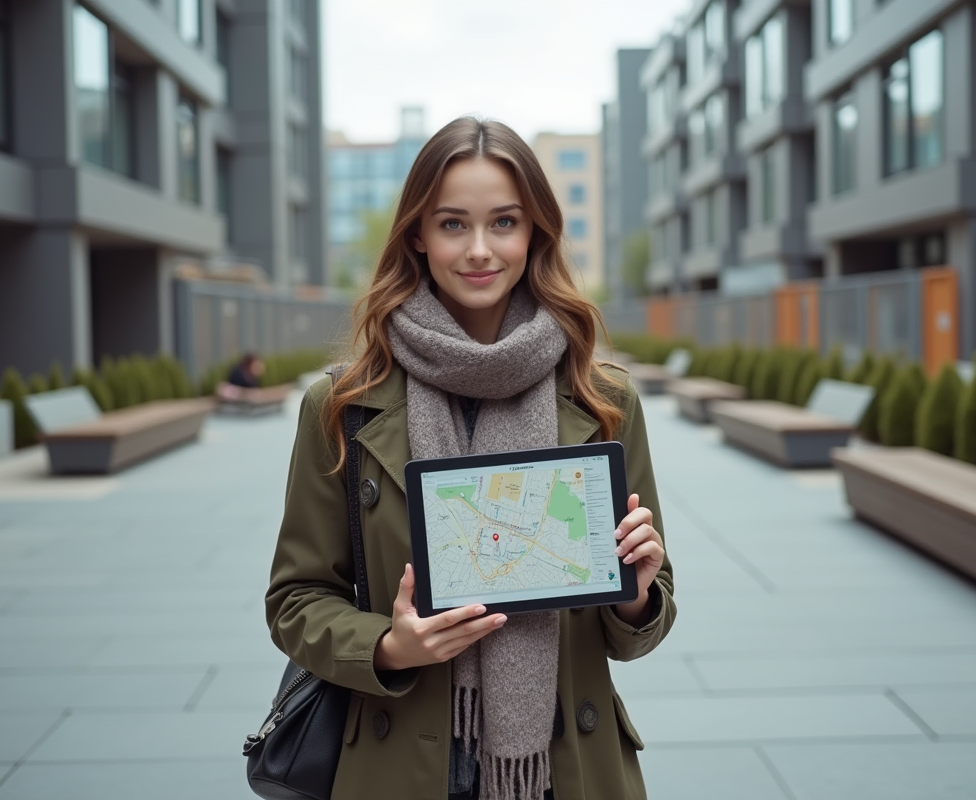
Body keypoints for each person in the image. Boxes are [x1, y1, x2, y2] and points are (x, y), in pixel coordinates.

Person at [266, 118, 675, 800]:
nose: (479, 249)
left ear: (535, 233)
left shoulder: (603, 400)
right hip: (405, 762)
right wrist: (390, 646)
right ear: (417, 238)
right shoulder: (342, 405)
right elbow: (294, 600)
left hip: (563, 766)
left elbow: (632, 633)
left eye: (504, 222)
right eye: (453, 224)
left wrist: (633, 596)